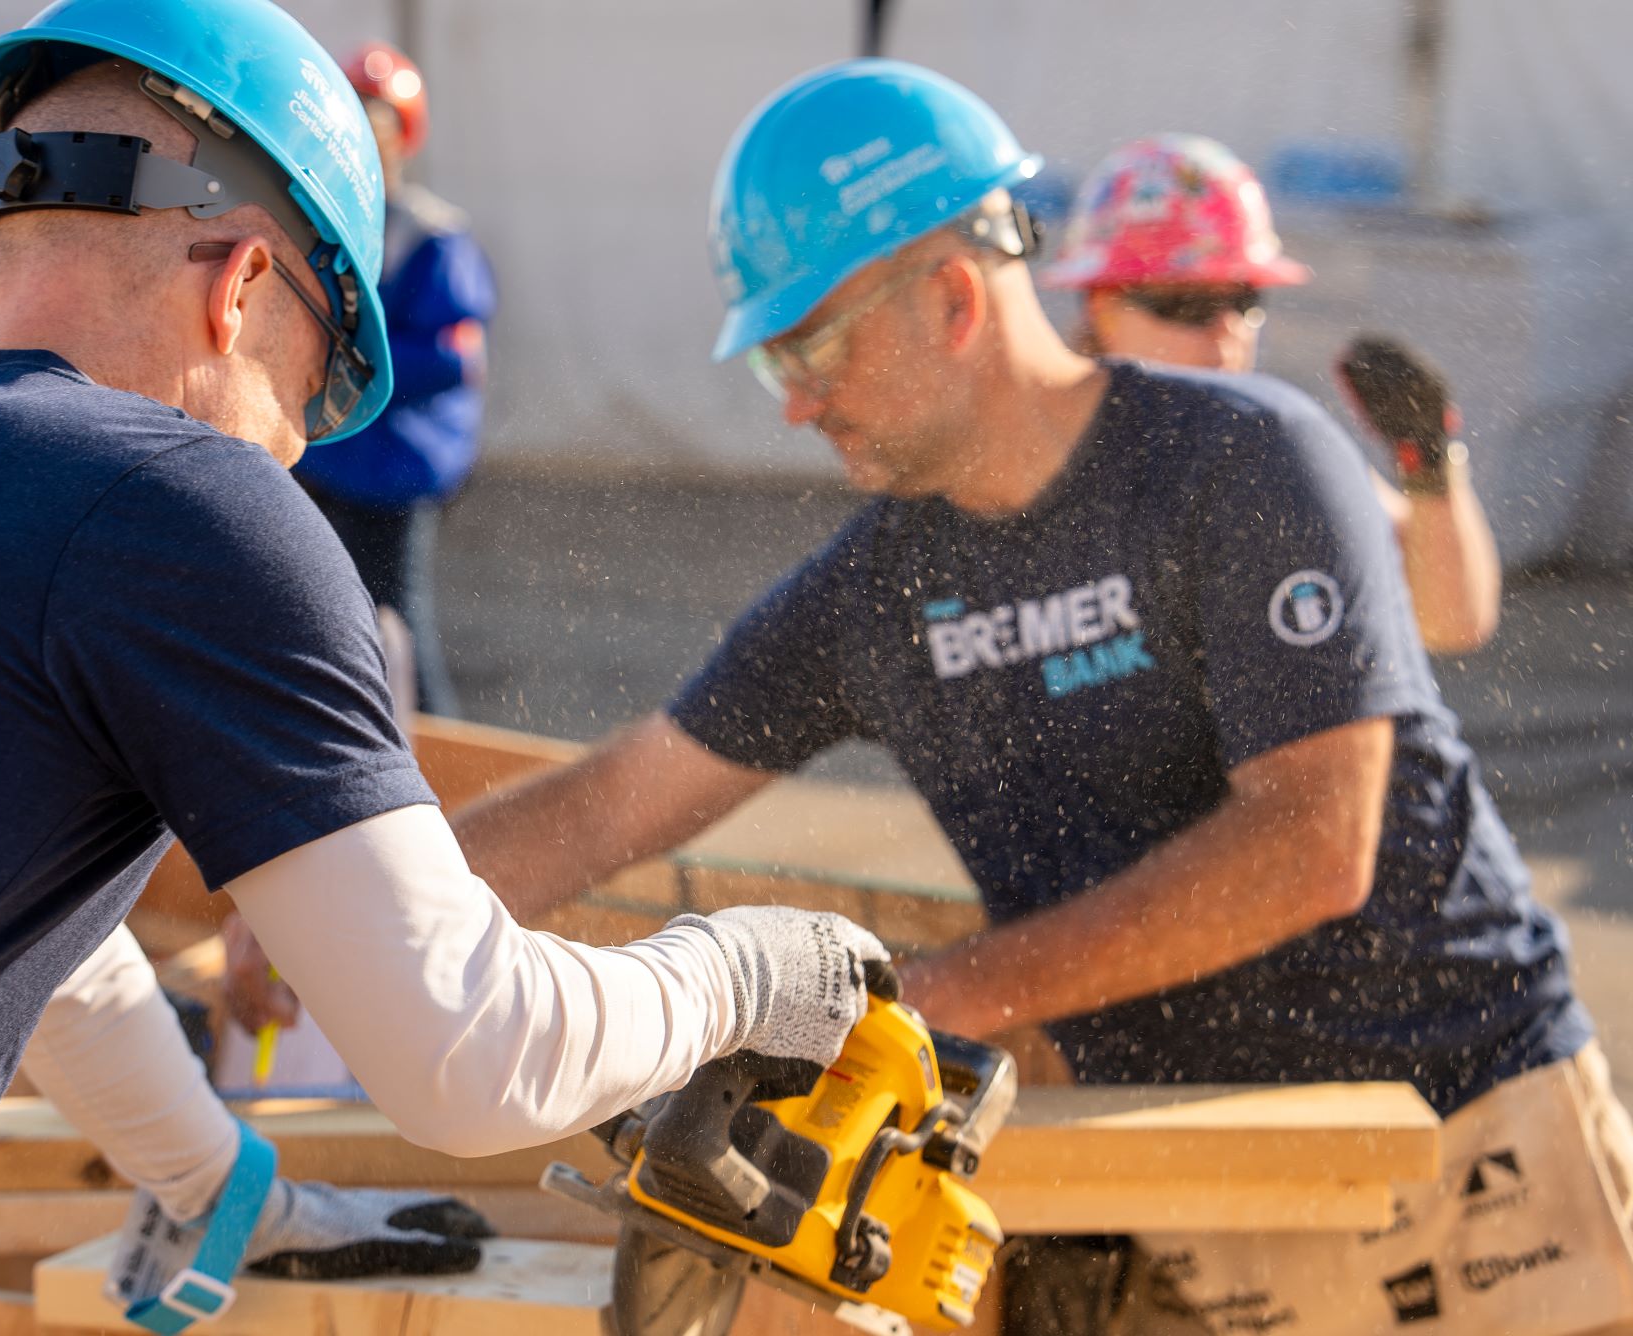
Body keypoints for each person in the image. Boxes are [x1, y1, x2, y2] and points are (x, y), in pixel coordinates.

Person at [228, 60, 1633, 1335]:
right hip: (1170, 1160)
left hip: (1468, 1136)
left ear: (955, 301)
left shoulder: (1244, 463)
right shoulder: (877, 591)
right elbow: (616, 802)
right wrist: (348, 908)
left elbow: (1312, 846)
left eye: (809, 351)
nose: (792, 402)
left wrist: (919, 1005)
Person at [0, 2, 890, 1330]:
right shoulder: (183, 498)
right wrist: (747, 971)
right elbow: (473, 1053)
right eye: (308, 390)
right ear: (240, 287)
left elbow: (28, 937)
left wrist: (219, 1182)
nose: (291, 452)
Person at [1040, 134, 1501, 655]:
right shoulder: (1032, 460)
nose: (1226, 330)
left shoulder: (1276, 449)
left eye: (1243, 300)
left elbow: (1451, 622)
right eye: (1186, 305)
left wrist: (1428, 460)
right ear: (1101, 305)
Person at [291, 42, 495, 717]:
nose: (372, 146)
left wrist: (335, 358)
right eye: (358, 125)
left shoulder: (433, 237)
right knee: (316, 612)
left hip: (390, 469)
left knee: (396, 617)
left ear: (405, 136)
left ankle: (438, 761)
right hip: (324, 455)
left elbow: (454, 357)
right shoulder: (318, 224)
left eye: (384, 128)